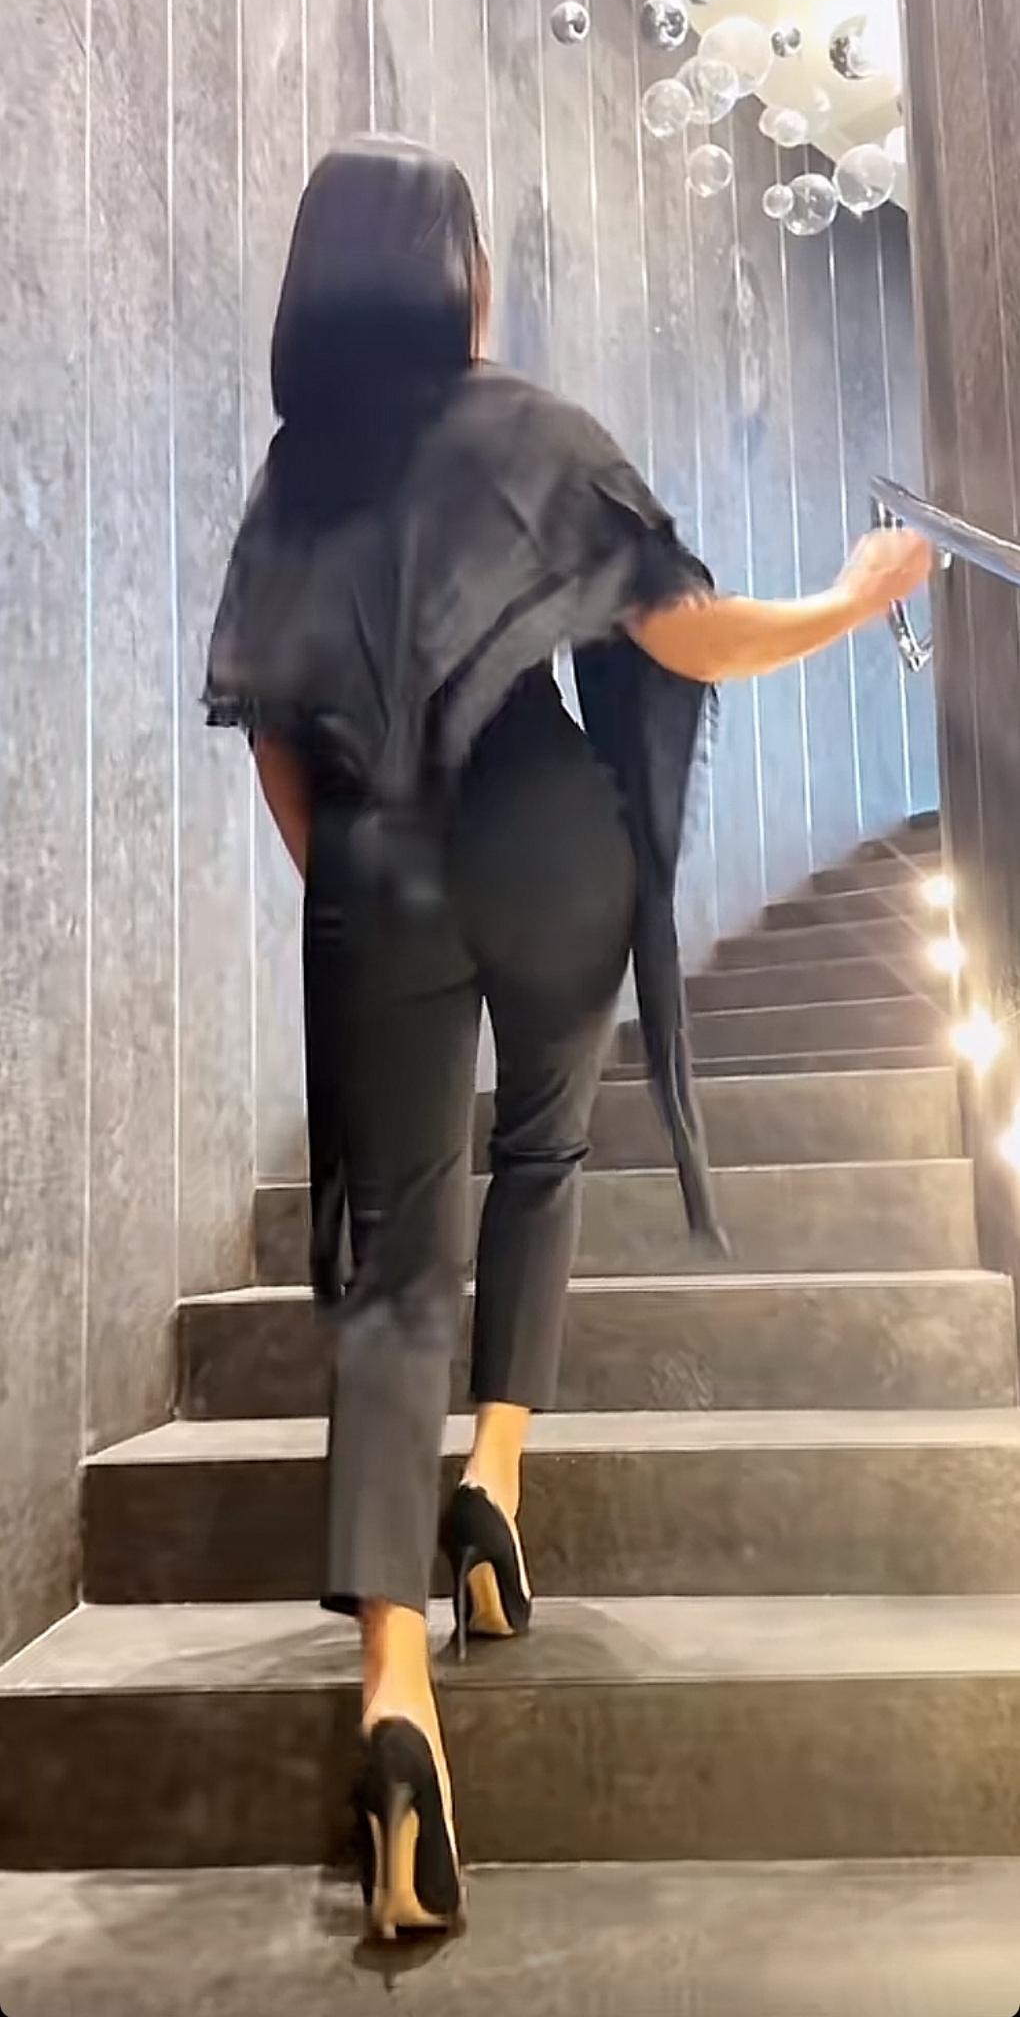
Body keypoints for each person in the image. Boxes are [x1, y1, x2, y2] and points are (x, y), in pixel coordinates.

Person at [204, 135, 932, 1940]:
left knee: (395, 1272)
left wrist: (360, 892)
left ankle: (395, 1692)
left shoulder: (295, 479)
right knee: (541, 1146)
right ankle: (496, 1490)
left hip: (376, 860)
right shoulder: (528, 429)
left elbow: (276, 738)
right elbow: (686, 638)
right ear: (447, 273)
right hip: (547, 835)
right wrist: (857, 599)